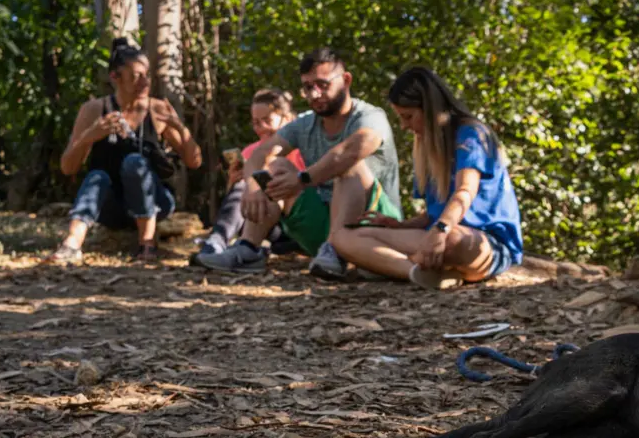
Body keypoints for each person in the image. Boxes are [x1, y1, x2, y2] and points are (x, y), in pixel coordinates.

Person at [195, 48, 402, 278]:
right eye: (307, 87)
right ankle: (249, 248)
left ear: (346, 80)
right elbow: (259, 154)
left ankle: (338, 251)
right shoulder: (304, 123)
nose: (314, 94)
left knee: (349, 165)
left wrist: (303, 179)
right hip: (322, 228)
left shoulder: (370, 116)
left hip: (375, 225)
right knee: (276, 166)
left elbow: (350, 151)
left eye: (322, 84)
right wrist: (253, 186)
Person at [331, 67, 522, 290]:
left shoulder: (471, 134)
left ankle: (389, 264)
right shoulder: (426, 147)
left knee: (452, 240)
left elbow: (464, 193)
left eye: (408, 117)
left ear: (430, 109)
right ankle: (416, 272)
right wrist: (398, 226)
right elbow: (431, 214)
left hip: (484, 244)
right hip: (434, 236)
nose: (404, 126)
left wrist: (440, 231)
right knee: (341, 237)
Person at [46, 38, 202, 264]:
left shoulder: (158, 109)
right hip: (112, 208)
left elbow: (195, 162)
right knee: (97, 176)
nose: (144, 82)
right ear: (115, 77)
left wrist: (179, 127)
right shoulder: (94, 110)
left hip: (156, 202)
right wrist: (90, 136)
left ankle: (147, 244)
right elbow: (67, 167)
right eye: (136, 75)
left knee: (134, 163)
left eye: (146, 75)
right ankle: (71, 244)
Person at [189, 89, 305, 265]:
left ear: (287, 119)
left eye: (267, 120)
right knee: (245, 184)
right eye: (256, 122)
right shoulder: (251, 152)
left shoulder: (301, 150)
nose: (261, 128)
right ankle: (217, 242)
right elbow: (236, 201)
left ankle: (225, 244)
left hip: (291, 223)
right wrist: (234, 180)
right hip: (259, 221)